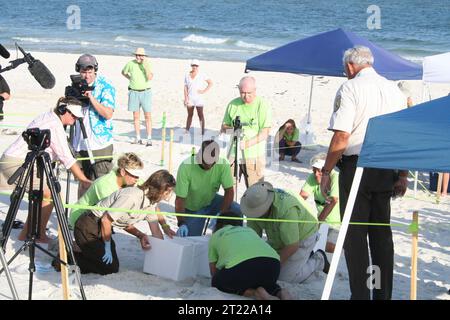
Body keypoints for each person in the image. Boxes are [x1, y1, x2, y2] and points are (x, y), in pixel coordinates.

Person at [320, 46, 408, 300]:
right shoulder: (394, 89)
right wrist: (402, 173)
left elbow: (342, 134)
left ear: (350, 66)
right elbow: (402, 136)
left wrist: (326, 170)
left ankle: (360, 295)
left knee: (355, 235)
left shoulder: (350, 88)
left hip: (358, 164)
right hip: (386, 164)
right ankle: (383, 295)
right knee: (381, 235)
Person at [0, 97, 92, 243]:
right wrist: (83, 180)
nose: (75, 119)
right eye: (73, 116)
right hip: (18, 162)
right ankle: (36, 234)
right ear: (63, 111)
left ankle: (30, 233)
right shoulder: (54, 124)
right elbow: (66, 157)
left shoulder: (50, 117)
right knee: (50, 193)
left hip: (15, 159)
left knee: (46, 193)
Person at [73, 170, 176, 275]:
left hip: (102, 228)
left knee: (112, 265)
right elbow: (106, 220)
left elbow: (155, 231)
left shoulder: (151, 203)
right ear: (158, 189)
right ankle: (69, 258)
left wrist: (162, 256)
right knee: (108, 268)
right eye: (167, 192)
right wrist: (107, 246)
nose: (168, 196)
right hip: (88, 225)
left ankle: (84, 251)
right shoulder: (132, 196)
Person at [69, 152, 176, 237]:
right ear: (123, 172)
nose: (137, 179)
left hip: (101, 219)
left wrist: (164, 225)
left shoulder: (134, 180)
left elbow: (152, 202)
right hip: (81, 218)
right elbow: (117, 219)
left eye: (138, 175)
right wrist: (140, 235)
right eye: (134, 175)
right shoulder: (105, 185)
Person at [241, 182, 329, 283]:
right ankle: (301, 259)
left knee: (284, 278)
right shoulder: (253, 204)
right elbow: (254, 240)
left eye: (259, 211)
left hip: (303, 236)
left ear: (267, 205)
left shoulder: (286, 209)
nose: (256, 214)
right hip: (278, 238)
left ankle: (318, 259)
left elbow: (292, 245)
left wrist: (273, 266)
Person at [209, 211, 292, 300]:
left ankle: (255, 293)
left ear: (219, 224)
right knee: (264, 281)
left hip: (244, 267)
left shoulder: (216, 235)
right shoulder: (249, 230)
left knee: (217, 282)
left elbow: (213, 271)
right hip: (273, 265)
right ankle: (280, 292)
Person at [175, 140, 241, 237]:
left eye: (212, 163)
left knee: (236, 209)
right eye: (206, 163)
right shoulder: (186, 166)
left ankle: (234, 239)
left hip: (211, 200)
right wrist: (181, 222)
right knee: (191, 239)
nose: (209, 166)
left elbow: (229, 191)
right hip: (192, 208)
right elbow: (180, 200)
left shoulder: (223, 164)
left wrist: (221, 214)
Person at [71, 54, 116, 196]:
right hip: (79, 143)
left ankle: (99, 217)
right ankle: (80, 217)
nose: (86, 75)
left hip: (99, 144)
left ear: (95, 70)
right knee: (83, 183)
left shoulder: (105, 86)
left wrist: (91, 98)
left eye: (89, 72)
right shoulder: (76, 85)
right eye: (83, 72)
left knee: (100, 186)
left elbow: (108, 114)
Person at [221, 76, 272, 186]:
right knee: (229, 187)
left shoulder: (262, 105)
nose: (246, 96)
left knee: (255, 192)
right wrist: (233, 131)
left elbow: (265, 132)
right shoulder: (232, 104)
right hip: (233, 154)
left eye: (249, 93)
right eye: (242, 93)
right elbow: (224, 127)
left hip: (254, 156)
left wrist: (247, 144)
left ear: (255, 90)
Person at [300, 153, 340, 253]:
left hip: (338, 224)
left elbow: (333, 201)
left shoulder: (336, 177)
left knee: (329, 248)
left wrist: (317, 224)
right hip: (322, 222)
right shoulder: (312, 177)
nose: (316, 174)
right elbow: (301, 198)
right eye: (314, 170)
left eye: (319, 170)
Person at [122, 48, 154, 146]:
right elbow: (123, 72)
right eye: (137, 55)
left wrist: (145, 66)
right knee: (136, 116)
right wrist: (130, 78)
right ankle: (138, 138)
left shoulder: (147, 64)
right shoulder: (130, 63)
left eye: (140, 55)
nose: (138, 57)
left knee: (147, 116)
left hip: (146, 92)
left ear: (144, 56)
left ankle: (149, 138)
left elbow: (150, 78)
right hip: (134, 92)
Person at [184, 59, 212, 136]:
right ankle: (187, 130)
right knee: (190, 114)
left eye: (196, 65)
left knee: (200, 115)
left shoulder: (202, 74)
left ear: (198, 66)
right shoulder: (187, 75)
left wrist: (203, 91)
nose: (194, 67)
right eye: (193, 65)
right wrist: (186, 98)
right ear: (191, 66)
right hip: (190, 98)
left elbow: (210, 83)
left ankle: (202, 131)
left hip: (199, 98)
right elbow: (185, 87)